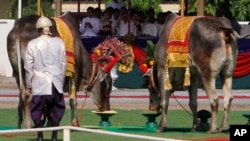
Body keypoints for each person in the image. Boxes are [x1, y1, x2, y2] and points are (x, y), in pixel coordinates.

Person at [24, 16, 66, 141]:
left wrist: (28, 84)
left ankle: (40, 137)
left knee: (38, 110)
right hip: (56, 83)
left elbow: (28, 67)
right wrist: (61, 81)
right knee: (56, 109)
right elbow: (63, 64)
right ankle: (54, 137)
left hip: (40, 83)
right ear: (50, 29)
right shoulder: (59, 42)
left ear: (39, 29)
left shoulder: (32, 44)